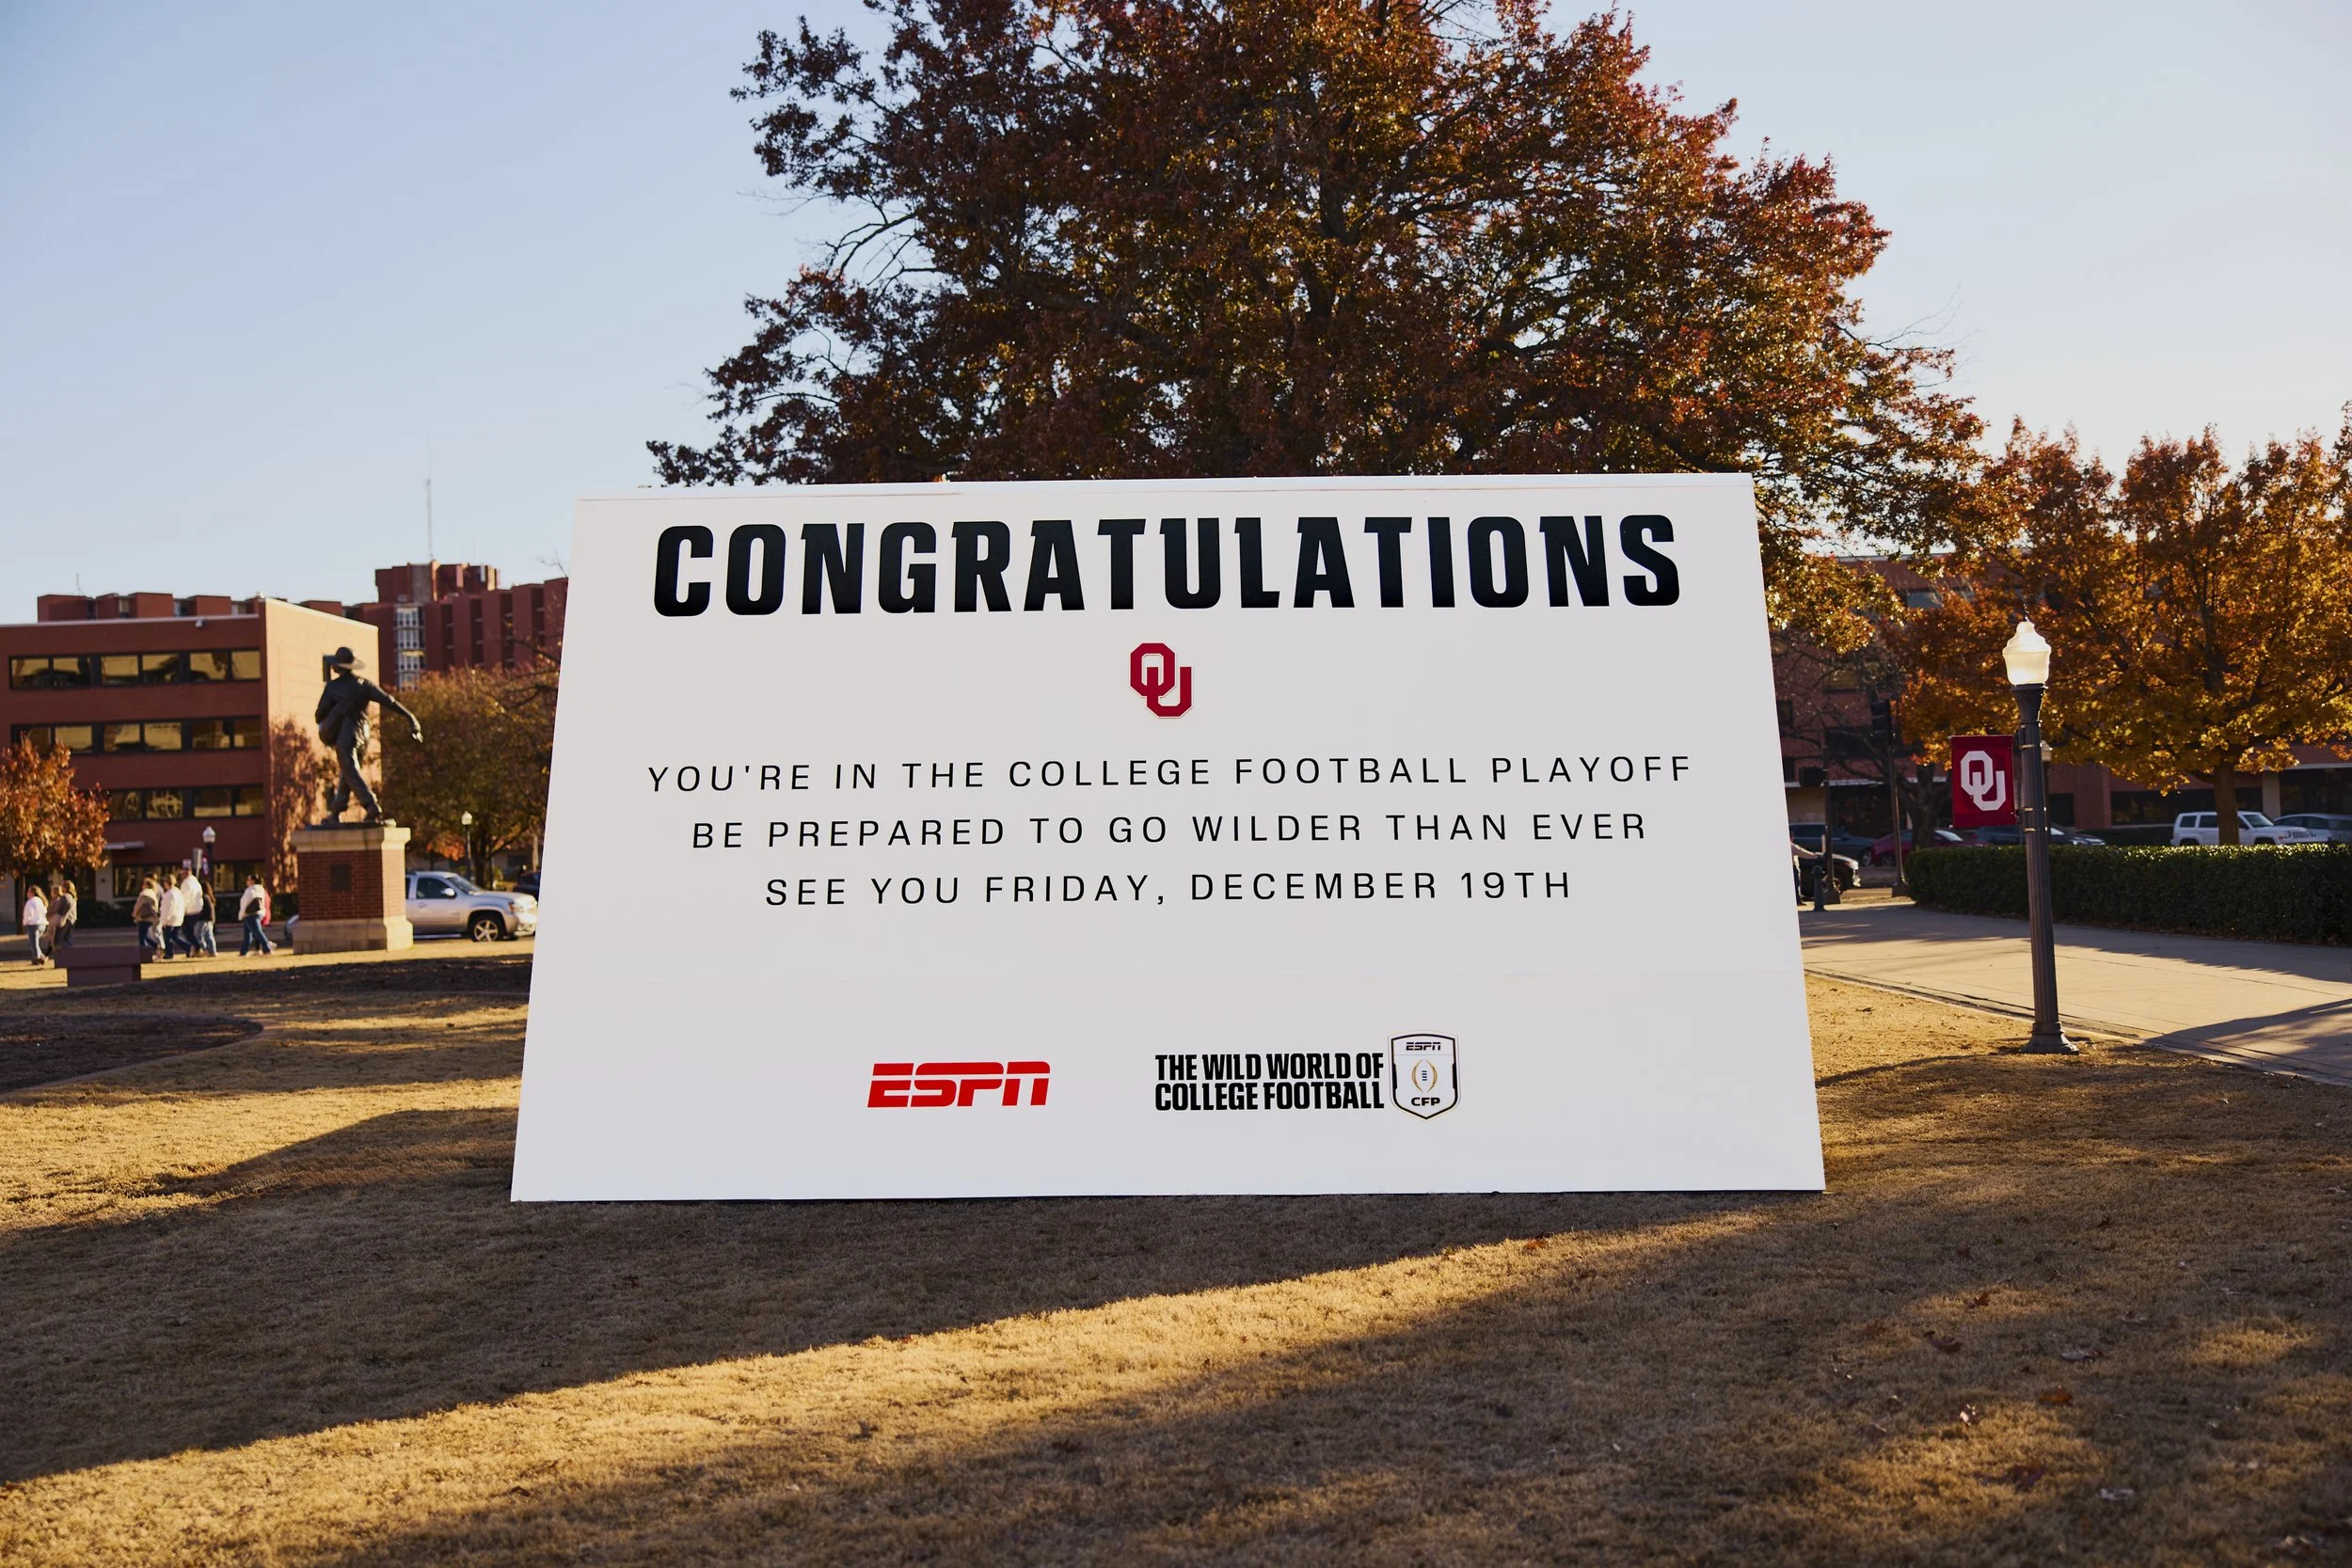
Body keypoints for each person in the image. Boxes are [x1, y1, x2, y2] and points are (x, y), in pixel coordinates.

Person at [315, 647, 422, 824]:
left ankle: (371, 805)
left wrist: (334, 710)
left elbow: (320, 714)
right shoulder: (364, 685)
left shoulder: (333, 687)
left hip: (346, 733)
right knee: (348, 770)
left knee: (349, 768)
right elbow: (389, 701)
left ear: (338, 667)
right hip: (363, 733)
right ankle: (336, 810)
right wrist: (411, 717)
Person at [238, 873, 275, 956]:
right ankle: (243, 951)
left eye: (248, 880)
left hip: (249, 914)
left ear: (253, 881)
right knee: (248, 934)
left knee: (257, 932)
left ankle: (267, 948)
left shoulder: (250, 890)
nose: (247, 881)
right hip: (259, 913)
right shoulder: (261, 890)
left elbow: (244, 903)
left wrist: (241, 915)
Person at [134, 877, 163, 959]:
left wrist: (135, 913)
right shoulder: (153, 894)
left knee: (142, 938)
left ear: (146, 885)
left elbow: (139, 905)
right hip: (150, 918)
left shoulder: (145, 894)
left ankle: (144, 955)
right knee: (145, 935)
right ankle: (156, 946)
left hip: (143, 917)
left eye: (143, 884)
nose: (142, 886)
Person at [157, 876, 185, 958]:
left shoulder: (169, 894)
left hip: (170, 919)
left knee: (168, 938)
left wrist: (164, 920)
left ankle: (169, 953)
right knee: (175, 937)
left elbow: (169, 908)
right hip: (177, 917)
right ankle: (188, 947)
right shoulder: (178, 892)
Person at [21, 883, 47, 967]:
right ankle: (41, 956)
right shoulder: (41, 901)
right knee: (32, 942)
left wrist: (25, 922)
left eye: (28, 892)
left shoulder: (31, 901)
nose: (27, 893)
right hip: (42, 924)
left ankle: (37, 958)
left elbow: (29, 913)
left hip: (33, 924)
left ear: (32, 893)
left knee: (34, 943)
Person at [47, 881, 76, 958]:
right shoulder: (73, 897)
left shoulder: (64, 897)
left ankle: (63, 956)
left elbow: (58, 910)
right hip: (72, 920)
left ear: (65, 888)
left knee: (59, 939)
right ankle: (70, 955)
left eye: (62, 886)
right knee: (68, 939)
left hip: (64, 920)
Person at [193, 876, 219, 958]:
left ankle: (204, 949)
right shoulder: (209, 897)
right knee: (209, 935)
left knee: (198, 934)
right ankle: (212, 951)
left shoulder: (203, 897)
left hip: (203, 919)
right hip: (209, 919)